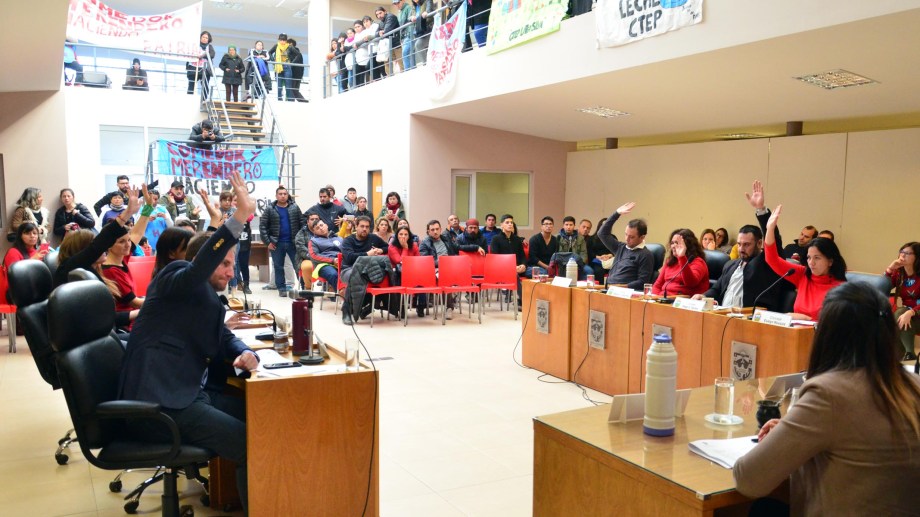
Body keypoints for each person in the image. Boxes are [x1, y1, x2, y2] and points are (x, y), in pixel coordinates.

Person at [119, 172, 258, 514]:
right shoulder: (173, 279)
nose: (231, 272)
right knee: (249, 443)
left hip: (189, 394)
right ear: (202, 262)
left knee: (262, 414)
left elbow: (223, 336)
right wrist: (238, 218)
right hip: (161, 404)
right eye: (224, 264)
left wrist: (245, 352)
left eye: (232, 264)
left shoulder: (208, 299)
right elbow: (198, 269)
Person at [733, 282, 920, 516]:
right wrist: (795, 431)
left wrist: (782, 442)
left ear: (828, 334)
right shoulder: (913, 386)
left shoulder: (828, 394)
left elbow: (749, 479)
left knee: (761, 510)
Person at [699, 180, 794, 311]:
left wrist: (761, 210)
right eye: (739, 244)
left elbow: (775, 244)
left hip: (747, 318)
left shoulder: (765, 264)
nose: (741, 249)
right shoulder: (730, 265)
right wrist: (703, 296)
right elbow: (716, 289)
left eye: (746, 244)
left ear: (759, 243)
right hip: (721, 315)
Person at [763, 204, 846, 320]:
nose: (811, 263)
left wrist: (807, 319)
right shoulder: (803, 274)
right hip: (796, 329)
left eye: (817, 258)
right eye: (808, 257)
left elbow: (838, 324)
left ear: (830, 261)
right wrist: (770, 229)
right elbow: (772, 260)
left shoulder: (841, 288)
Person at [340, 216, 388, 325]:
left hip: (367, 270)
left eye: (367, 227)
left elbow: (387, 247)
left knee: (385, 275)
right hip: (348, 269)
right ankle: (346, 312)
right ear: (356, 227)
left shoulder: (373, 238)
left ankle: (369, 305)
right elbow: (349, 258)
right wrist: (367, 254)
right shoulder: (348, 241)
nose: (365, 229)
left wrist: (381, 250)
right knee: (354, 276)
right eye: (362, 226)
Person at [598, 203, 654, 290]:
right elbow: (602, 233)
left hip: (626, 292)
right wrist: (617, 213)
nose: (627, 239)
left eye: (631, 237)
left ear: (642, 237)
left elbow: (643, 282)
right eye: (626, 234)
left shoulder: (646, 255)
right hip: (609, 288)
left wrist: (620, 287)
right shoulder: (620, 247)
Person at [260, 185, 304, 295]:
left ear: (288, 195)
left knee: (298, 266)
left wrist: (300, 240)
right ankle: (281, 289)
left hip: (293, 243)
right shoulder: (270, 209)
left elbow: (302, 223)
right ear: (276, 196)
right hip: (276, 243)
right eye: (280, 194)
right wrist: (267, 242)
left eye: (285, 194)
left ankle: (304, 287)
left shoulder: (294, 207)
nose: (283, 196)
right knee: (278, 267)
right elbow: (263, 226)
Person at [884, 241, 920, 360]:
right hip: (908, 315)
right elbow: (882, 287)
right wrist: (890, 269)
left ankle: (907, 353)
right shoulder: (899, 273)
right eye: (901, 252)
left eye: (907, 253)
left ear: (917, 257)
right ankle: (899, 356)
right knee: (900, 315)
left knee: (900, 313)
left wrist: (911, 312)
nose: (903, 255)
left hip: (916, 313)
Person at [418, 219, 459, 319]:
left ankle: (451, 297)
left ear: (441, 229)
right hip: (435, 269)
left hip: (450, 266)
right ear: (428, 231)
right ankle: (449, 307)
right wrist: (440, 262)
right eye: (432, 230)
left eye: (437, 229)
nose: (435, 232)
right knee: (444, 277)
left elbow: (457, 249)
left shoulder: (446, 239)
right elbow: (426, 261)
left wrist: (475, 247)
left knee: (461, 271)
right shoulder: (424, 243)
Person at [652, 229, 709, 297]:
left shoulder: (698, 262)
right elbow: (657, 286)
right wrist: (655, 299)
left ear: (688, 245)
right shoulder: (670, 261)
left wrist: (682, 257)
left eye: (677, 243)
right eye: (672, 243)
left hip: (683, 301)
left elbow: (691, 283)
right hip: (663, 299)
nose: (673, 246)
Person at [1, 223, 48, 302]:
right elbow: (16, 277)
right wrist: (32, 260)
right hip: (15, 292)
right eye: (27, 233)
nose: (32, 236)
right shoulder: (13, 252)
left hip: (34, 288)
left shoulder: (36, 252)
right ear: (20, 236)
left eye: (35, 233)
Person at [488, 214, 526, 307]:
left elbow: (522, 256)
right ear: (501, 225)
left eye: (511, 222)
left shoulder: (517, 240)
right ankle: (523, 300)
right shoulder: (496, 239)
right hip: (501, 269)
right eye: (507, 222)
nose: (510, 224)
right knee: (514, 274)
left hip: (518, 268)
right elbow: (495, 259)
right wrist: (512, 267)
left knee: (534, 272)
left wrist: (523, 265)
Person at [304, 219, 344, 288]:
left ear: (326, 225)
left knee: (353, 272)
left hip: (342, 261)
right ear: (314, 232)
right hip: (324, 265)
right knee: (333, 274)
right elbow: (314, 256)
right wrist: (332, 260)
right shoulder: (313, 241)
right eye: (317, 228)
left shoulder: (339, 238)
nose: (321, 228)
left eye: (321, 225)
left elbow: (346, 251)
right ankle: (341, 292)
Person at [186, 30, 215, 98]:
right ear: (200, 38)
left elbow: (212, 55)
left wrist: (202, 56)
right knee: (191, 86)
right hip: (193, 68)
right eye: (203, 37)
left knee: (205, 86)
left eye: (206, 38)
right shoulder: (194, 45)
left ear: (208, 39)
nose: (204, 39)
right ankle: (189, 99)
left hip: (204, 69)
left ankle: (204, 100)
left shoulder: (209, 47)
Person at [269, 33, 291, 101]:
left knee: (288, 85)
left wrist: (291, 62)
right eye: (281, 40)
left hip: (287, 67)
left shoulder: (289, 47)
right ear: (279, 40)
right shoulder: (276, 46)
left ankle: (289, 100)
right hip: (278, 66)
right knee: (279, 86)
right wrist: (274, 61)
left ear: (286, 40)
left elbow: (297, 54)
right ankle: (279, 99)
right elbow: (269, 52)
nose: (282, 41)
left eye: (284, 40)